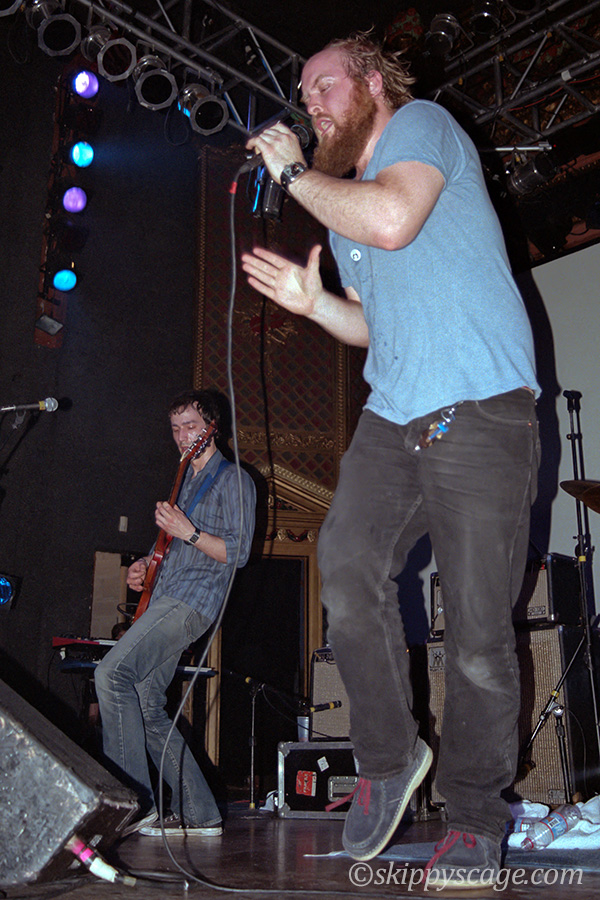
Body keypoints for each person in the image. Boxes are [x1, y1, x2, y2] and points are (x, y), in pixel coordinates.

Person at [241, 34, 540, 888]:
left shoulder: (421, 125)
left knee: (478, 631)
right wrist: (315, 304)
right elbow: (372, 323)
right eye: (304, 95)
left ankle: (476, 819)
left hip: (478, 405)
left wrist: (294, 173)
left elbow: (394, 218)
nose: (312, 105)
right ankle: (388, 756)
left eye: (325, 86)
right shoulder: (346, 206)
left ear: (373, 83)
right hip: (394, 412)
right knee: (344, 565)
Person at [95, 389, 256, 836]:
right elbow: (169, 548)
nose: (183, 436)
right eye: (176, 428)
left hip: (192, 601)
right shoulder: (185, 482)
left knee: (111, 675)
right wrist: (145, 566)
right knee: (146, 704)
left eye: (191, 426)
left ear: (212, 428)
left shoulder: (234, 480)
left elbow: (238, 552)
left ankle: (132, 804)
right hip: (167, 595)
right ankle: (202, 813)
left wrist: (190, 532)